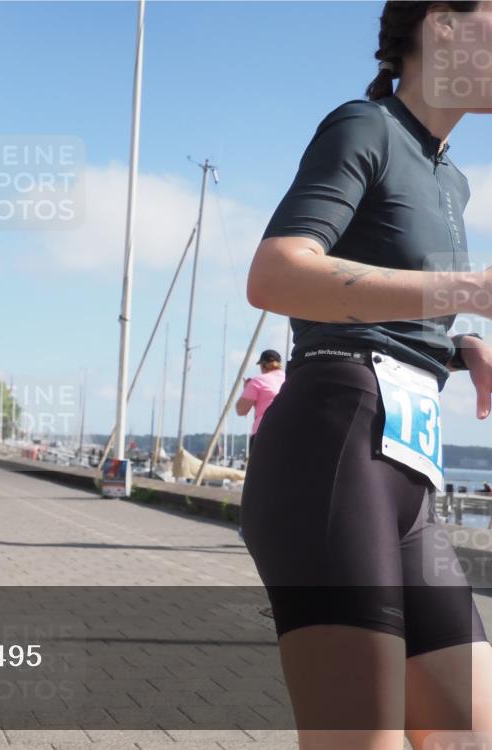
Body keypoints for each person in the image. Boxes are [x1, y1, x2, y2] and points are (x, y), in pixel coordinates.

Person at [241, 3, 492, 748]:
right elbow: (277, 274)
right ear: (441, 27)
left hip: (408, 480)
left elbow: (388, 311)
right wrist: (470, 290)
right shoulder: (364, 126)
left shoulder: (454, 185)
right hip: (331, 448)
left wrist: (461, 348)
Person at [235, 349, 286, 457]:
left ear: (263, 365)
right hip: (288, 431)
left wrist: (246, 388)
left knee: (259, 473)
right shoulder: (290, 378)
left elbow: (241, 410)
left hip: (264, 432)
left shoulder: (258, 381)